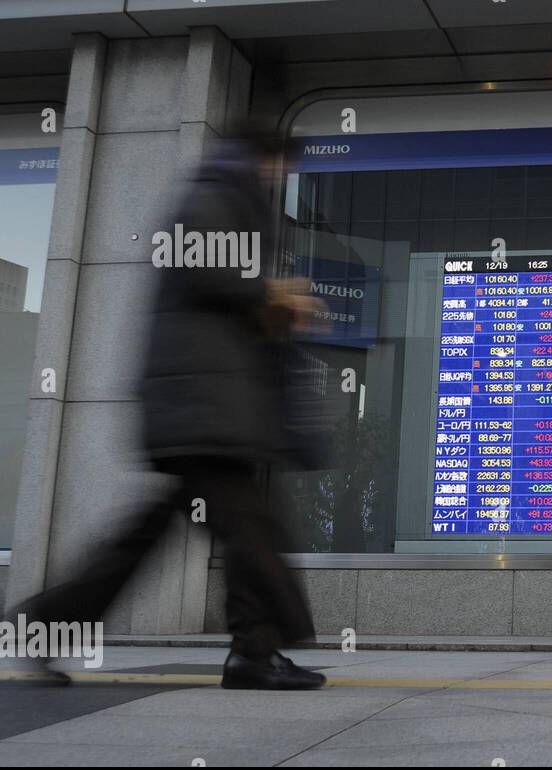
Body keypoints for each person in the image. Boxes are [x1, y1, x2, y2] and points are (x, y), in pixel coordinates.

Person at [9, 132, 331, 689]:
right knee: (251, 529)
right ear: (264, 156)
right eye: (280, 164)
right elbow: (203, 268)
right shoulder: (213, 194)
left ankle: (41, 624)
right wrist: (273, 294)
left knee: (159, 532)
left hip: (208, 411)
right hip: (202, 412)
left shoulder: (227, 198)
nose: (280, 177)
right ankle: (253, 653)